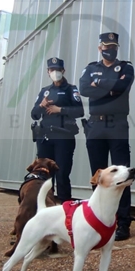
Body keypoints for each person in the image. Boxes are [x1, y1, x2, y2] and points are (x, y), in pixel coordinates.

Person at [79, 32, 135, 241]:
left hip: (117, 124)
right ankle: (98, 220)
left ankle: (123, 223)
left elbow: (121, 87)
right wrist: (110, 85)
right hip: (95, 124)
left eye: (113, 46)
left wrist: (99, 86)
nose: (109, 49)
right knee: (98, 174)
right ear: (99, 47)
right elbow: (84, 88)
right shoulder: (90, 68)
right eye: (106, 46)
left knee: (122, 174)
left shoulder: (126, 67)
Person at [31, 57, 83, 203]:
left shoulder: (71, 89)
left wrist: (59, 109)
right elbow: (34, 114)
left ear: (63, 71)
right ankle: (44, 208)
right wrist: (41, 106)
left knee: (62, 175)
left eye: (58, 70)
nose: (55, 72)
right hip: (45, 137)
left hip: (64, 137)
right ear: (48, 72)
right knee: (44, 175)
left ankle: (65, 210)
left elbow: (80, 111)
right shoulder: (44, 91)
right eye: (52, 70)